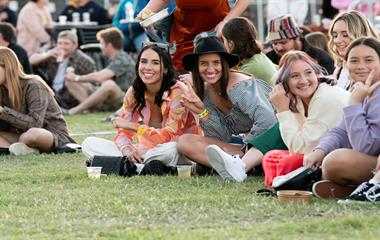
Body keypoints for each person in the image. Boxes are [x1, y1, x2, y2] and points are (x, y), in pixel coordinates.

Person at [206, 50, 350, 182]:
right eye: (295, 76)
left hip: (347, 154)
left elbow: (301, 148)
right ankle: (239, 165)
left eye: (308, 73)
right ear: (284, 82)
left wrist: (282, 110)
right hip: (325, 150)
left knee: (283, 151)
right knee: (274, 150)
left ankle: (241, 165)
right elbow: (299, 138)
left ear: (316, 74)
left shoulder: (325, 97)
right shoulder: (300, 98)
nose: (304, 80)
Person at [82, 43, 202, 171]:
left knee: (172, 149)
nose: (147, 67)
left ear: (165, 69)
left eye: (155, 63)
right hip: (147, 151)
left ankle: (129, 166)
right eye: (143, 62)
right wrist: (127, 150)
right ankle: (138, 166)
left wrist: (135, 127)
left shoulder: (178, 92)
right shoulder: (134, 92)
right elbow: (123, 134)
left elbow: (171, 136)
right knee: (88, 143)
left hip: (176, 150)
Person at [176, 32, 277, 181]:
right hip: (245, 147)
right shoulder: (206, 91)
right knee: (184, 142)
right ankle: (242, 165)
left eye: (216, 62)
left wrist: (246, 149)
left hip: (277, 139)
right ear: (197, 67)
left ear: (223, 64)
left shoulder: (240, 86)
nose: (210, 69)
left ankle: (242, 164)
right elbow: (219, 137)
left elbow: (268, 121)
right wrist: (202, 111)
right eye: (204, 63)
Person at [304, 37, 380, 199]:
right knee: (325, 161)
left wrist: (354, 103)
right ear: (346, 65)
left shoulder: (367, 94)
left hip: (376, 161)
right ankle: (354, 190)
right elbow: (341, 130)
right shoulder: (365, 90)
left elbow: (367, 147)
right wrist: (320, 150)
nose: (360, 66)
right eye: (354, 60)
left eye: (369, 60)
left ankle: (369, 187)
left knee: (336, 161)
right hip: (371, 162)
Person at [0, 47, 75, 155]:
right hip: (20, 135)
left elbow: (35, 123)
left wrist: (3, 112)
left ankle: (17, 149)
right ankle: (19, 150)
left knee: (32, 135)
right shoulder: (2, 90)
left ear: (7, 67)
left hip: (49, 134)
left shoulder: (33, 85)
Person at [136, 0, 251, 71]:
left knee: (215, 76)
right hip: (182, 37)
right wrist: (147, 12)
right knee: (182, 81)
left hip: (215, 35)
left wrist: (225, 22)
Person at [63, 27, 136, 115]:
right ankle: (91, 109)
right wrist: (74, 79)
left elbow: (99, 78)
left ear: (108, 45)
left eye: (101, 43)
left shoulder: (122, 59)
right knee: (70, 81)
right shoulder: (112, 58)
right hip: (108, 98)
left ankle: (74, 111)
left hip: (124, 100)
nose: (100, 47)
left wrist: (77, 77)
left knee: (109, 84)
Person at [29, 30, 96, 109]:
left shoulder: (84, 60)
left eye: (66, 44)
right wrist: (47, 54)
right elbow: (30, 61)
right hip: (53, 93)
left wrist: (75, 78)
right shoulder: (52, 55)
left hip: (71, 97)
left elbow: (92, 85)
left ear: (75, 45)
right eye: (60, 43)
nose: (62, 47)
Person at [266, 14, 335, 75]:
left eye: (283, 42)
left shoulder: (322, 59)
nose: (278, 47)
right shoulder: (268, 60)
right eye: (274, 43)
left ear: (297, 38)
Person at [327, 10, 379, 90]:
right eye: (335, 35)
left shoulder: (371, 69)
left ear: (362, 35)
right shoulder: (340, 68)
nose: (337, 40)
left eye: (345, 35)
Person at [221, 17, 277, 85]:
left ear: (231, 43)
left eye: (224, 40)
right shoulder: (258, 57)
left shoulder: (250, 68)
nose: (223, 44)